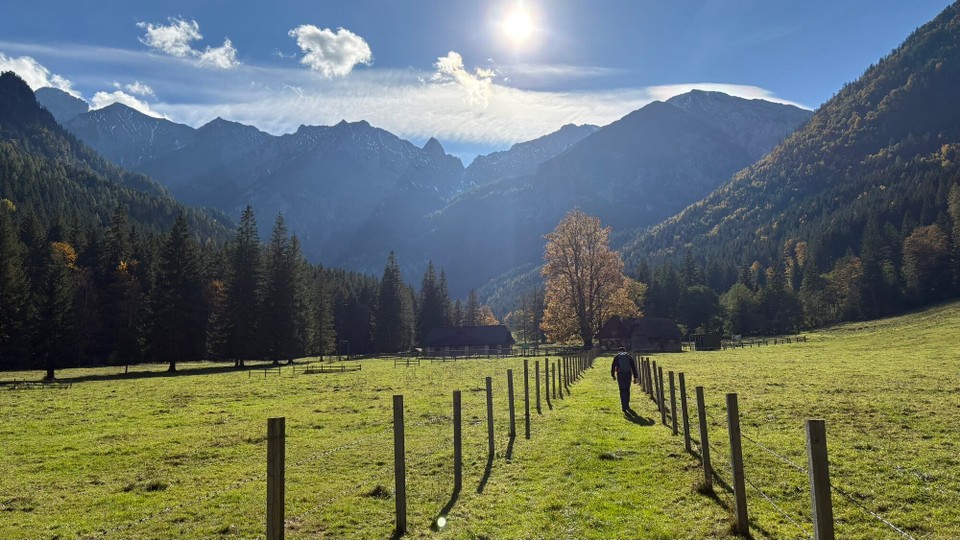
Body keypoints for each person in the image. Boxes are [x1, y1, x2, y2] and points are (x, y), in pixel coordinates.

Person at [611, 346, 639, 412]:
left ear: (619, 351)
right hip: (628, 374)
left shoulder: (617, 357)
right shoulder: (629, 357)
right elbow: (633, 367)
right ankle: (627, 405)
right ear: (625, 351)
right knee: (627, 389)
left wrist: (613, 375)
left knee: (622, 390)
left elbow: (613, 366)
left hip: (620, 375)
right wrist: (635, 377)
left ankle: (623, 406)